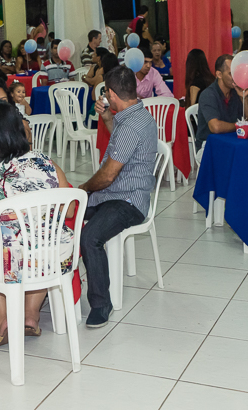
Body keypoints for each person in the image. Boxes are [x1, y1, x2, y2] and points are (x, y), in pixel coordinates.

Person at [0, 101, 74, 345]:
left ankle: (3, 320)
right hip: (47, 255)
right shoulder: (44, 161)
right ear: (18, 128)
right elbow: (69, 209)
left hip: (1, 258)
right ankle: (30, 316)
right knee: (44, 244)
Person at [79, 66, 159, 327]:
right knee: (69, 211)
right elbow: (123, 146)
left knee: (90, 236)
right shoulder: (137, 115)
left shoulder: (130, 126)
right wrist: (107, 120)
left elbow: (107, 176)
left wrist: (85, 188)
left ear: (111, 94)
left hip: (128, 200)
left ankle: (102, 304)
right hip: (118, 193)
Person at [195, 54, 248, 150]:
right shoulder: (208, 94)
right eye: (231, 73)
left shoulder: (236, 91)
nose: (235, 77)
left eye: (236, 73)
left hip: (233, 142)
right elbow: (215, 127)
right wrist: (240, 126)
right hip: (209, 146)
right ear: (219, 74)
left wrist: (244, 98)